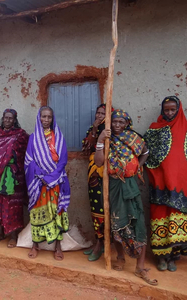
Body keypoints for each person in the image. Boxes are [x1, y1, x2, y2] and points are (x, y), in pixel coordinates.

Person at [144, 96, 187, 272]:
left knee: (176, 218)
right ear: (162, 110)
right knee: (160, 216)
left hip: (181, 184)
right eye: (166, 110)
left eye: (173, 109)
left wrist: (186, 158)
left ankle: (173, 257)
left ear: (178, 109)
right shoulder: (154, 130)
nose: (169, 113)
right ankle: (161, 258)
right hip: (160, 183)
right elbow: (145, 150)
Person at [95, 109, 157, 286]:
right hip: (113, 185)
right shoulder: (106, 138)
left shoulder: (133, 139)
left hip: (130, 185)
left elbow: (145, 152)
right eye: (114, 122)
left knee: (137, 222)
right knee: (117, 222)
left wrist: (139, 167)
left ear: (127, 123)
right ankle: (120, 258)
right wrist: (100, 140)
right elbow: (99, 162)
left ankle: (140, 265)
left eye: (121, 122)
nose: (117, 125)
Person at [24, 106, 70, 261]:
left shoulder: (58, 136)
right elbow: (29, 161)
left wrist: (51, 177)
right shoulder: (33, 138)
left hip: (56, 182)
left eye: (49, 117)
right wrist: (42, 176)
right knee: (38, 213)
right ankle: (35, 245)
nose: (46, 120)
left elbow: (63, 160)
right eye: (43, 117)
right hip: (39, 182)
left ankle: (58, 246)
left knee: (56, 211)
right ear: (39, 118)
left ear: (52, 118)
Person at [0, 109, 29, 248]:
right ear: (2, 119)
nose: (7, 120)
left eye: (10, 118)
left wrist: (12, 161)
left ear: (15, 120)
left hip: (14, 175)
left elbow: (26, 152)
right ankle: (0, 232)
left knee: (13, 205)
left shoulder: (20, 135)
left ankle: (13, 235)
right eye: (5, 118)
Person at [82, 104, 108, 261]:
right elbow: (85, 149)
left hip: (108, 174)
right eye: (97, 113)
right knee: (95, 208)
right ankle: (99, 241)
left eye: (103, 113)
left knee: (106, 210)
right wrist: (94, 130)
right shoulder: (93, 129)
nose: (99, 115)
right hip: (93, 174)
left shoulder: (112, 131)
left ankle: (104, 243)